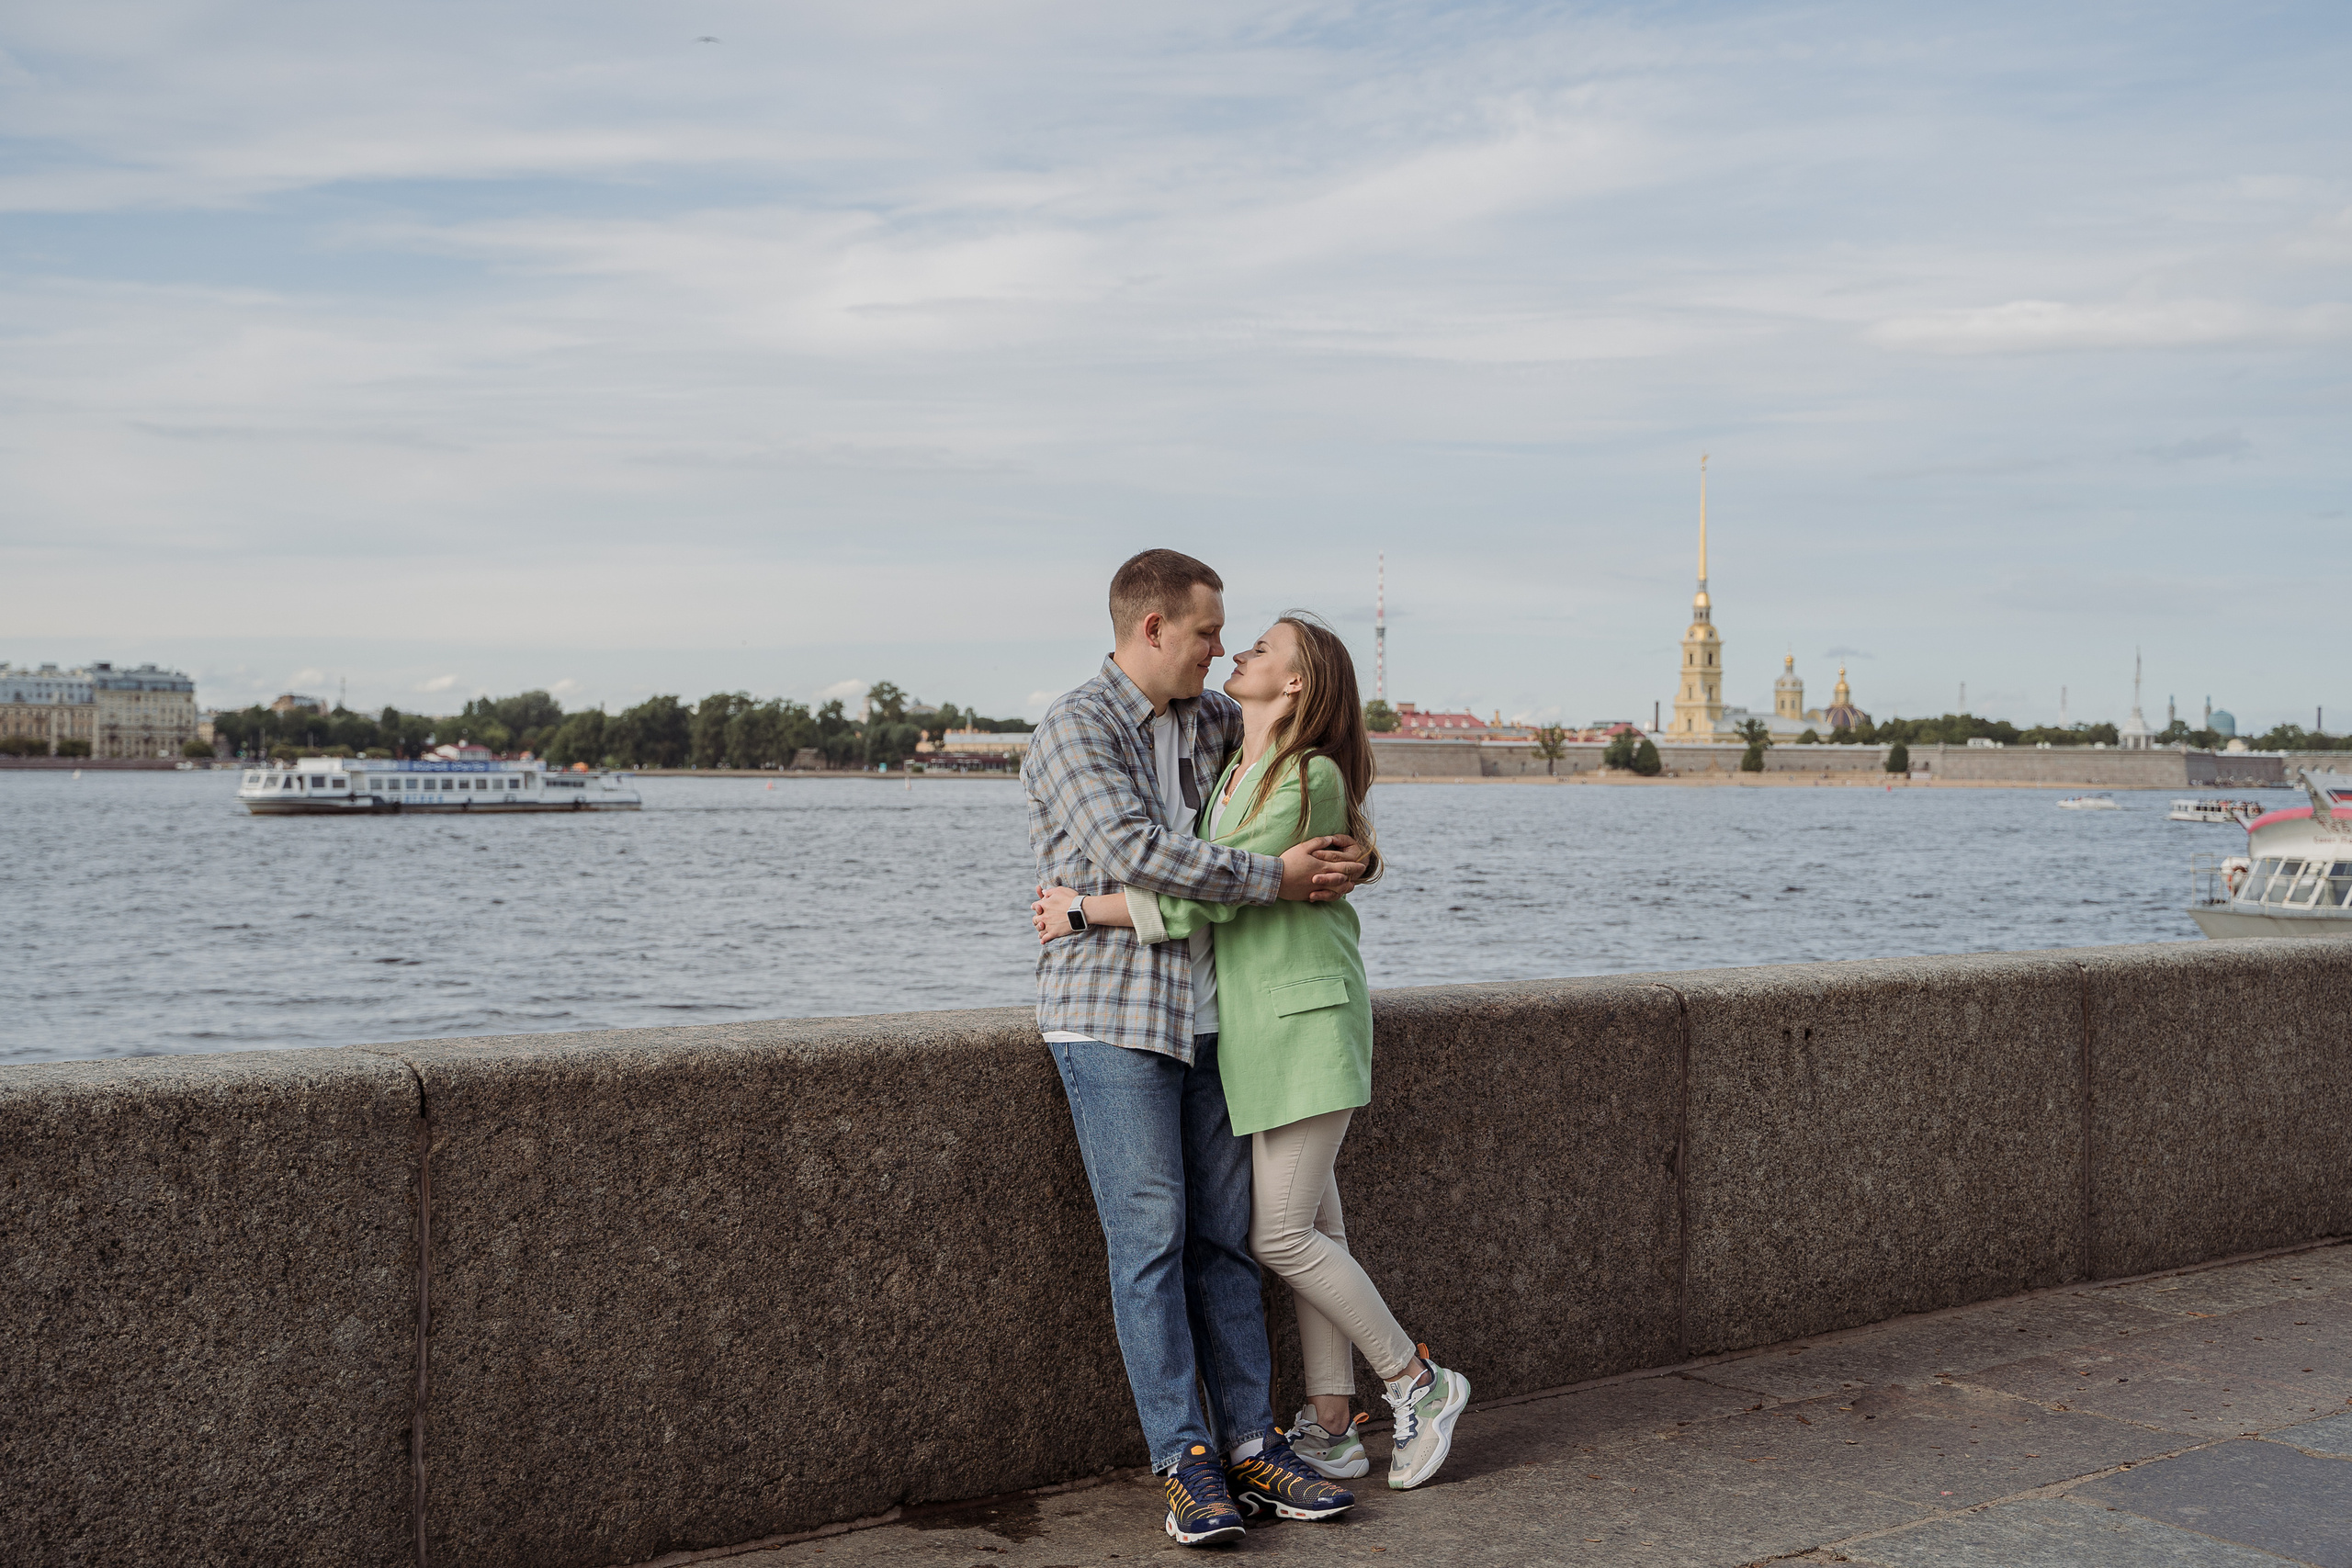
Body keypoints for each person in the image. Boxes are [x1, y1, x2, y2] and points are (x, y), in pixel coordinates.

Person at [1035, 611, 1469, 1494]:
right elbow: (1233, 865)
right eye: (1224, 636)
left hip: (1304, 1024)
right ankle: (1335, 1427)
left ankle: (1418, 1379)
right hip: (1260, 1031)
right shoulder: (1239, 757)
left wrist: (1086, 910)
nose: (1236, 652)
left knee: (1276, 1233)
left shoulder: (1301, 773)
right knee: (1319, 1228)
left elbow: (1208, 895)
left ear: (1299, 682)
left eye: (1257, 646)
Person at [1023, 551, 1375, 1548]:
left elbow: (1304, 768)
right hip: (1113, 1017)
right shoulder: (1074, 728)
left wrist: (1355, 852)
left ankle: (1254, 1443)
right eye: (1209, 633)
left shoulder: (1216, 718)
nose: (1224, 650)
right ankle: (1184, 1461)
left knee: (1228, 1242)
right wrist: (1276, 879)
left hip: (1219, 1017)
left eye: (1232, 639)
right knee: (1151, 1243)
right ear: (1152, 630)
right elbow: (1139, 853)